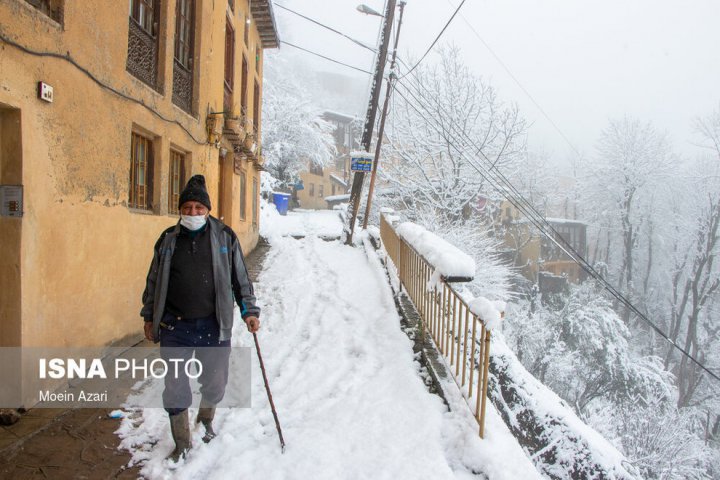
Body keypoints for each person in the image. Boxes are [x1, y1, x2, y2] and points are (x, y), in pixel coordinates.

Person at [140, 174, 260, 462]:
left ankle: (206, 418)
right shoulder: (168, 239)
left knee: (215, 381)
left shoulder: (224, 237)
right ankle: (182, 443)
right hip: (175, 326)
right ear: (180, 210)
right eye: (187, 208)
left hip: (213, 325)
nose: (193, 213)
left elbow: (239, 279)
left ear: (208, 210)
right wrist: (148, 315)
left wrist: (249, 310)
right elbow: (154, 281)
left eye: (198, 208)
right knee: (175, 384)